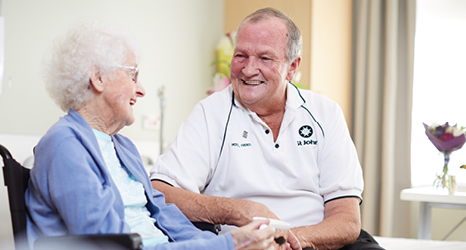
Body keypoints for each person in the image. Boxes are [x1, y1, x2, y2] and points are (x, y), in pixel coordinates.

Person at [25, 20, 281, 250]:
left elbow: (165, 214)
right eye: (133, 75)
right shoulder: (64, 145)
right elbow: (107, 242)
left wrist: (221, 245)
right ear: (98, 78)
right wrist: (228, 245)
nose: (142, 90)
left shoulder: (122, 147)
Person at [150, 8, 383, 250]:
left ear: (292, 67)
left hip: (316, 241)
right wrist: (237, 211)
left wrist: (289, 240)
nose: (249, 69)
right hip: (248, 244)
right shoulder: (211, 113)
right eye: (241, 55)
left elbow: (346, 220)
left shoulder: (325, 113)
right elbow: (161, 190)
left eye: (265, 58)